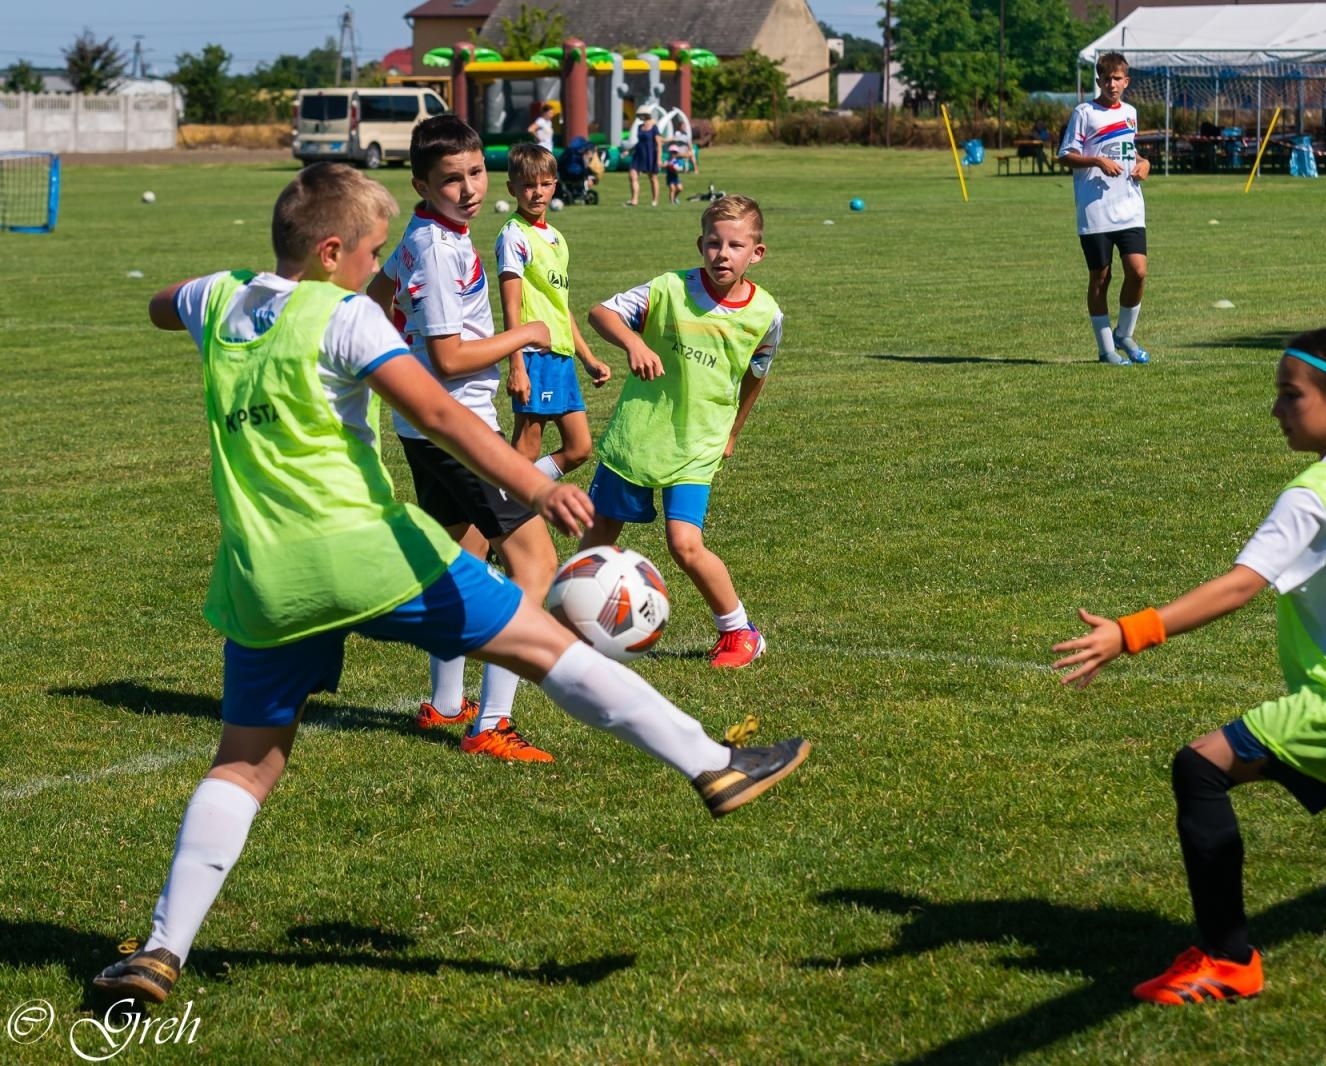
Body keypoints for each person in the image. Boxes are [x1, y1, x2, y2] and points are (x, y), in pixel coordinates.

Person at [91, 163, 811, 1008]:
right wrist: (539, 487)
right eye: (368, 252)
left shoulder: (219, 299)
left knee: (244, 765)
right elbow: (437, 411)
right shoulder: (346, 314)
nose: (377, 269)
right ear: (329, 253)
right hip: (365, 551)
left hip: (261, 576)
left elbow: (160, 303)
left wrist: (230, 293)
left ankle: (161, 950)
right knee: (544, 644)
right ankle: (713, 765)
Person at [1051, 326, 1326, 1005]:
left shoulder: (1317, 492)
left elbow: (1240, 585)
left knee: (1200, 766)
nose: (1276, 409)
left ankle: (1229, 961)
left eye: (1289, 396)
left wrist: (1131, 631)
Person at [365, 114, 560, 762]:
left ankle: (447, 704)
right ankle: (492, 725)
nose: (470, 187)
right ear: (422, 182)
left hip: (425, 426)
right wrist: (524, 336)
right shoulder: (442, 251)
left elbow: (377, 293)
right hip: (461, 428)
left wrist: (400, 353)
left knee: (461, 566)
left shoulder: (423, 233)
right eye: (451, 179)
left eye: (476, 172)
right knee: (533, 566)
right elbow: (449, 359)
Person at [579, 195, 779, 670]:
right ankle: (578, 621)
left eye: (735, 245)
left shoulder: (766, 315)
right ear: (700, 245)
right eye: (713, 243)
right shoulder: (668, 289)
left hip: (697, 442)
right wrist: (631, 342)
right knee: (600, 532)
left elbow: (756, 374)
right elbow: (599, 313)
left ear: (757, 253)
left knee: (684, 543)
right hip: (638, 435)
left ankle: (739, 632)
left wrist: (733, 432)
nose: (722, 254)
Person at [497, 144, 611, 493]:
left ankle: (509, 502)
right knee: (527, 446)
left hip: (561, 357)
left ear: (556, 184)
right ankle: (504, 526)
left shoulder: (557, 238)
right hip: (534, 355)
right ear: (511, 188)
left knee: (580, 448)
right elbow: (510, 306)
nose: (537, 192)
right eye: (528, 185)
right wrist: (516, 363)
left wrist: (588, 359)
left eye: (545, 184)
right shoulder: (514, 235)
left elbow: (561, 307)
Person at [1058, 51, 1152, 365]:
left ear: (1126, 81)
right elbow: (1065, 155)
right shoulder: (1084, 113)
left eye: (1117, 78)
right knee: (1101, 277)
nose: (1112, 84)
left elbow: (1130, 151)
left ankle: (1124, 334)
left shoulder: (1130, 112)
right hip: (1095, 209)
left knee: (1138, 272)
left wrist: (1145, 163)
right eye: (1106, 78)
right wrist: (1097, 160)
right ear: (1098, 80)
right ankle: (1106, 349)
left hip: (1129, 206)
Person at [627, 111, 663, 207]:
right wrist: (629, 150)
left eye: (640, 115)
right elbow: (639, 142)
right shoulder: (639, 127)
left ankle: (655, 200)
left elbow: (659, 144)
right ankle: (634, 200)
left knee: (652, 178)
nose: (638, 117)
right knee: (632, 176)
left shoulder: (654, 128)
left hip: (650, 155)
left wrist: (659, 159)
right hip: (638, 154)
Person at [664, 138, 697, 206]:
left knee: (680, 188)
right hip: (670, 177)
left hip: (676, 177)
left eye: (675, 152)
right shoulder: (668, 160)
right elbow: (664, 165)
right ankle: (671, 202)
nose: (674, 154)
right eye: (672, 152)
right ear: (670, 152)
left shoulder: (677, 161)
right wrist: (668, 166)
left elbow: (680, 168)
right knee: (672, 189)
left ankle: (675, 197)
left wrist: (679, 169)